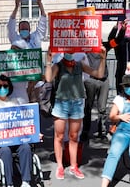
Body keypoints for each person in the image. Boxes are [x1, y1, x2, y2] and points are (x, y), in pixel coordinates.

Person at [45, 46, 106, 180]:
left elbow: (99, 74)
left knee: (73, 136)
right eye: (68, 50)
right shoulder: (58, 65)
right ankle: (60, 166)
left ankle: (74, 166)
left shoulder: (80, 65)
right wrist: (48, 60)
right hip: (61, 103)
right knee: (59, 136)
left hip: (77, 103)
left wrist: (103, 58)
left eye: (72, 50)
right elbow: (48, 79)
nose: (70, 52)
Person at [0, 74, 35, 187]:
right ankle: (9, 184)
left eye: (5, 86)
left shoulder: (15, 101)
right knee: (5, 150)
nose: (2, 88)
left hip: (16, 138)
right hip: (0, 140)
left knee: (26, 147)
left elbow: (23, 122)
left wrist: (33, 133)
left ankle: (26, 182)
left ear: (9, 87)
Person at [82, 50, 110, 141]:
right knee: (88, 107)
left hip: (104, 80)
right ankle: (85, 131)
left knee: (102, 108)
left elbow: (115, 41)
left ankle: (102, 131)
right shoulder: (87, 48)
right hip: (91, 80)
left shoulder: (104, 47)